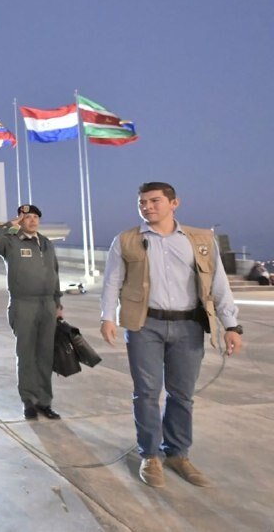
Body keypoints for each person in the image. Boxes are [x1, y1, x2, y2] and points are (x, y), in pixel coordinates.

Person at [100, 182, 243, 489]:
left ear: (174, 203)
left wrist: (231, 326)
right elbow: (112, 281)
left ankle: (178, 453)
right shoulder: (126, 240)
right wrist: (107, 317)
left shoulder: (200, 240)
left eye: (155, 201)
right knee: (147, 393)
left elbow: (218, 284)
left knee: (182, 394)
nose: (147, 207)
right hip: (144, 325)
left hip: (188, 326)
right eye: (142, 202)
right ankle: (150, 455)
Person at [0, 204, 64, 421]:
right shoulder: (11, 242)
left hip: (47, 305)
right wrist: (11, 224)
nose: (32, 220)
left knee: (45, 356)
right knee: (26, 354)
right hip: (24, 304)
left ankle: (44, 402)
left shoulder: (46, 243)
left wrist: (58, 304)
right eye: (27, 217)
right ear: (20, 221)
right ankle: (29, 401)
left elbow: (54, 273)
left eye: (35, 217)